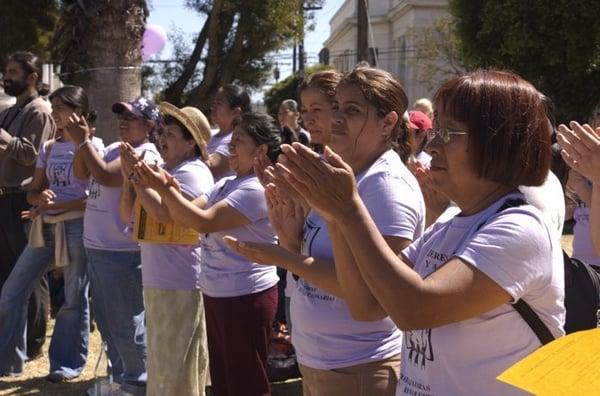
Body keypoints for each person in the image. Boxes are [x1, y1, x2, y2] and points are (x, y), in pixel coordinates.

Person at [228, 70, 566, 395]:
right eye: (436, 131)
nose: (432, 145)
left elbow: (412, 309)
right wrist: (334, 217)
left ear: (498, 142)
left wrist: (347, 209)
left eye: (448, 133)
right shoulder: (450, 223)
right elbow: (367, 304)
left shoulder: (521, 229)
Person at [229, 64, 426, 396]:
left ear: (387, 122)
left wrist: (279, 256)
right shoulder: (339, 175)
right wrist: (291, 238)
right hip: (324, 363)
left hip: (360, 367)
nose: (336, 119)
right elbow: (319, 259)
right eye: (336, 108)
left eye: (351, 111)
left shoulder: (386, 186)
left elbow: (374, 296)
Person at [134, 112, 281, 396]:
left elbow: (203, 221)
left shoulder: (255, 188)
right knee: (225, 381)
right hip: (219, 293)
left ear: (261, 150)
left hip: (245, 295)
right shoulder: (226, 184)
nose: (229, 148)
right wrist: (154, 185)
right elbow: (187, 214)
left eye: (238, 141)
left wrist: (163, 188)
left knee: (245, 382)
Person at [0, 85, 100, 380]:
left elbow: (92, 198)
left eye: (60, 108)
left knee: (73, 297)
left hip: (77, 225)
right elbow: (33, 192)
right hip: (45, 227)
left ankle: (66, 365)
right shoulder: (49, 147)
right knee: (12, 291)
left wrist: (58, 204)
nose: (54, 114)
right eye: (53, 107)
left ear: (78, 112)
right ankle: (7, 362)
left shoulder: (95, 146)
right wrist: (39, 200)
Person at [69, 97, 162, 395]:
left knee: (126, 323)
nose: (123, 121)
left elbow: (105, 176)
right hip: (99, 249)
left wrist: (83, 142)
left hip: (122, 252)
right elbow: (82, 173)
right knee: (110, 323)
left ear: (149, 126)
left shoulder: (145, 153)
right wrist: (80, 144)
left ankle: (138, 383)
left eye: (132, 117)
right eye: (121, 115)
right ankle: (122, 377)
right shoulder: (115, 148)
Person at [121, 102, 214, 396]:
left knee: (179, 372)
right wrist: (130, 178)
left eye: (171, 133)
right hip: (161, 281)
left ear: (191, 143)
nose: (162, 139)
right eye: (162, 132)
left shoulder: (193, 172)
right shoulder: (164, 170)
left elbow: (164, 214)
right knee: (164, 369)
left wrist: (139, 178)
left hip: (182, 283)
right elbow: (128, 217)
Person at [0, 51, 55, 360]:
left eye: (13, 72)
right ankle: (11, 338)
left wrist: (4, 137)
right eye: (6, 71)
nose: (6, 77)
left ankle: (33, 342)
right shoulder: (10, 110)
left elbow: (32, 157)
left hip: (24, 199)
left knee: (30, 273)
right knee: (8, 272)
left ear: (32, 78)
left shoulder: (40, 111)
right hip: (4, 198)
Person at [557, 121, 600, 258]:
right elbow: (567, 215)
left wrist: (582, 188)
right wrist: (570, 189)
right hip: (580, 261)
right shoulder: (584, 166)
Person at [207, 84, 251, 180]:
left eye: (219, 103)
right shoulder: (211, 135)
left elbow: (211, 167)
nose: (212, 107)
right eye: (214, 102)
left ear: (235, 112)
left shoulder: (235, 140)